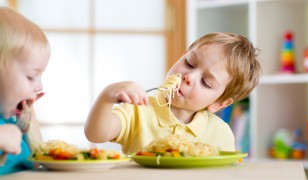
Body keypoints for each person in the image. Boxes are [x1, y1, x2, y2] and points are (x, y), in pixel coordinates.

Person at [84, 32, 261, 154]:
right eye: (190, 63)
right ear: (183, 55)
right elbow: (96, 134)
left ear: (219, 103)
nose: (189, 77)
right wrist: (107, 96)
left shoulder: (221, 132)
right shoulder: (138, 111)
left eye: (206, 82)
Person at [0, 7, 50, 175]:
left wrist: (29, 126)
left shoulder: (11, 119)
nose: (39, 87)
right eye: (30, 77)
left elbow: (38, 163)